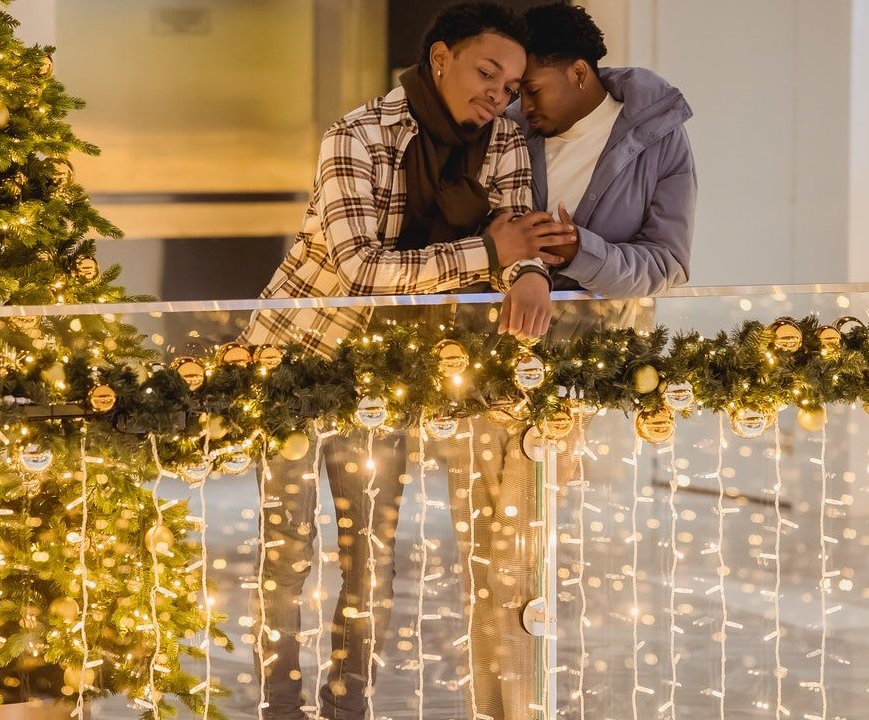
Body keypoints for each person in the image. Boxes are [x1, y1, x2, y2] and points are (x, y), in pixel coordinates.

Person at [239, 3, 580, 718]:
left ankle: (347, 704)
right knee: (287, 553)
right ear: (439, 60)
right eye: (488, 71)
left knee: (370, 557)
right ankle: (277, 702)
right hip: (297, 361)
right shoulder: (355, 137)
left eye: (512, 83)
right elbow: (360, 267)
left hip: (390, 374)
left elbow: (524, 238)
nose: (499, 93)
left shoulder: (506, 145)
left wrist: (530, 276)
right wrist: (492, 254)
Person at [446, 3, 698, 718]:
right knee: (492, 550)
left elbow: (668, 262)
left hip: (586, 374)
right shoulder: (503, 130)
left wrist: (579, 252)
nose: (519, 103)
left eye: (534, 88)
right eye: (514, 88)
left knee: (545, 549)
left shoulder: (659, 137)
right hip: (490, 361)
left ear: (582, 73)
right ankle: (501, 707)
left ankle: (546, 702)